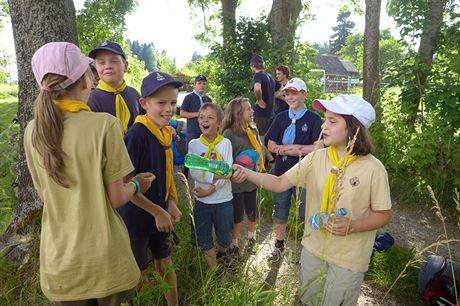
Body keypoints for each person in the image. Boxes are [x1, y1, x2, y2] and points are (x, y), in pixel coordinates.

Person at [24, 42, 155, 304]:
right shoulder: (105, 125)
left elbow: (45, 195)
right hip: (105, 261)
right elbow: (117, 198)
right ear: (86, 80)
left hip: (60, 264)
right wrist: (138, 185)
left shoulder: (32, 130)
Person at [232, 95, 392, 306]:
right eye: (325, 119)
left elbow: (383, 214)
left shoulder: (374, 168)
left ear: (354, 128)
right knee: (308, 300)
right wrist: (246, 173)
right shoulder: (316, 157)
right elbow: (280, 182)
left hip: (349, 259)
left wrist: (354, 226)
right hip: (313, 250)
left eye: (333, 121)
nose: (324, 126)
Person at [119, 71, 183, 306]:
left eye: (173, 102)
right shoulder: (137, 135)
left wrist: (171, 203)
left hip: (161, 213)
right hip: (137, 217)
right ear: (144, 103)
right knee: (137, 272)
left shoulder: (165, 133)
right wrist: (156, 211)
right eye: (161, 103)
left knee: (165, 261)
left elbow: (168, 174)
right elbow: (125, 182)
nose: (169, 109)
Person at [265, 77, 323, 261]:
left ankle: (306, 248)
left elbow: (318, 148)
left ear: (304, 94)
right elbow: (271, 145)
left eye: (294, 93)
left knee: (304, 211)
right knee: (280, 208)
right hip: (282, 172)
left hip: (305, 174)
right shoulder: (281, 117)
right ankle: (279, 245)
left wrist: (288, 148)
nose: (290, 97)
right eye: (287, 93)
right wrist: (298, 150)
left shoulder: (314, 119)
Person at [188, 103, 233, 267]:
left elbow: (228, 172)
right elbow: (193, 171)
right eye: (201, 117)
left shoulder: (225, 144)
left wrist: (211, 189)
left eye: (210, 117)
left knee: (225, 239)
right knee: (204, 241)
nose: (204, 120)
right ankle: (213, 275)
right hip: (202, 202)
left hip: (223, 200)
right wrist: (219, 173)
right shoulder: (193, 144)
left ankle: (222, 254)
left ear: (219, 123)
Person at [221, 97, 267, 254]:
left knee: (252, 210)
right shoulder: (229, 134)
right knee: (237, 214)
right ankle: (233, 243)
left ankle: (251, 237)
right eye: (248, 109)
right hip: (236, 183)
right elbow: (225, 159)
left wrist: (267, 159)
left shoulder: (253, 130)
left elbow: (260, 149)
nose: (252, 111)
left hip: (251, 181)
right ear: (238, 113)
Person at [87, 40, 140, 134]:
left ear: (126, 66)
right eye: (101, 63)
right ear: (96, 68)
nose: (107, 66)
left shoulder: (135, 95)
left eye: (114, 61)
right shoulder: (91, 99)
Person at [180, 75, 213, 153]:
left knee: (205, 153)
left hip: (206, 131)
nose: (202, 85)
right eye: (199, 83)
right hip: (193, 131)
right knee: (191, 154)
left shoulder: (208, 99)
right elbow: (182, 113)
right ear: (195, 85)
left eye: (204, 84)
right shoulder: (189, 97)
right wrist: (198, 114)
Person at [250, 55, 279, 139]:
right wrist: (271, 96)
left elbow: (257, 88)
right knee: (268, 139)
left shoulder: (258, 75)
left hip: (260, 114)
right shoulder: (270, 76)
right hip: (270, 113)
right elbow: (283, 89)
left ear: (253, 65)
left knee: (260, 140)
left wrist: (259, 100)